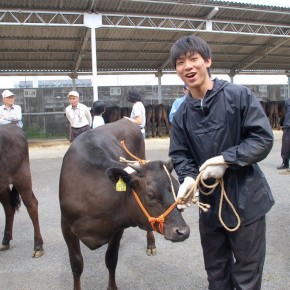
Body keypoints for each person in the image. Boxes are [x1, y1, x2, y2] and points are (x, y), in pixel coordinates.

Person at [169, 35, 274, 290]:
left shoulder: (237, 96)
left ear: (208, 61)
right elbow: (180, 154)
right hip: (209, 204)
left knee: (246, 276)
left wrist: (227, 160)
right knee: (216, 274)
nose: (188, 67)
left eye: (194, 59)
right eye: (181, 62)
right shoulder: (182, 113)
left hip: (246, 201)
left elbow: (262, 138)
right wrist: (188, 178)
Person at [277, 98, 290, 170]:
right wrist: (282, 124)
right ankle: (285, 163)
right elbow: (284, 114)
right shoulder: (287, 101)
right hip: (287, 125)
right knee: (285, 146)